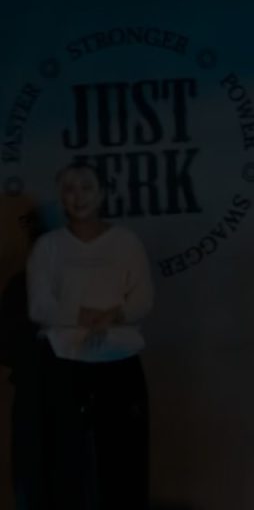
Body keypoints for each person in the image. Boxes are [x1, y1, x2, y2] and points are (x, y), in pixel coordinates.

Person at [27, 162, 153, 509]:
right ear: (60, 197)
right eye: (69, 189)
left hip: (119, 362)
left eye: (86, 187)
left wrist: (112, 318)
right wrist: (85, 317)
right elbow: (39, 306)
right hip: (63, 362)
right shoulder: (49, 246)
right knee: (64, 462)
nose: (78, 196)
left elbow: (142, 299)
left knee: (124, 461)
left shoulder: (125, 242)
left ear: (102, 193)